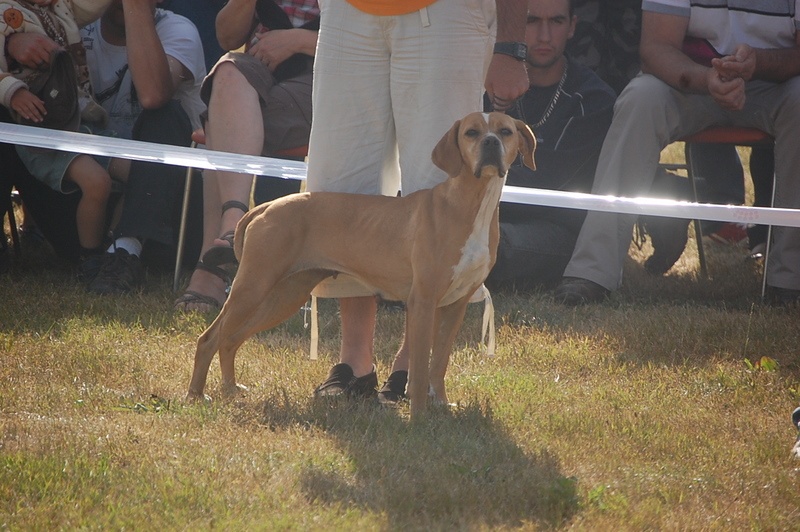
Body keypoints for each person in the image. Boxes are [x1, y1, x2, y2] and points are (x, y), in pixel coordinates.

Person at [305, 0, 529, 403]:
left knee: (445, 185)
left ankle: (414, 368)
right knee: (340, 190)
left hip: (447, 14)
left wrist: (510, 45)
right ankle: (354, 362)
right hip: (347, 10)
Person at [553, 0, 800, 306]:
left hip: (781, 86)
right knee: (639, 99)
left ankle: (790, 277)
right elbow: (655, 48)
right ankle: (592, 271)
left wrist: (759, 63)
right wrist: (706, 79)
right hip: (692, 80)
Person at [174, 0, 319, 312]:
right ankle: (235, 219)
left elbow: (378, 42)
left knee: (222, 124)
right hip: (260, 70)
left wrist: (297, 41)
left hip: (324, 73)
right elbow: (226, 38)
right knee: (226, 70)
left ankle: (210, 269)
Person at [484, 0, 616, 291]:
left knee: (486, 245)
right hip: (486, 214)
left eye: (556, 22)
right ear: (513, 25)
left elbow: (545, 186)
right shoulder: (486, 84)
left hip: (557, 230)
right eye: (531, 22)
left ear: (572, 27)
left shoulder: (593, 100)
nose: (544, 36)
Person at [77, 0, 206, 294]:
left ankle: (126, 249)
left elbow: (152, 95)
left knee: (165, 113)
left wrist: (136, 6)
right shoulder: (76, 25)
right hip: (91, 188)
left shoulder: (178, 29)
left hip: (170, 206)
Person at [1, 0, 113, 277]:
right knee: (97, 183)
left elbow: (94, 6)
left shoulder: (61, 7)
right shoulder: (4, 12)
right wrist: (13, 92)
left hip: (81, 121)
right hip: (41, 129)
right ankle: (89, 258)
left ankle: (120, 246)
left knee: (140, 170)